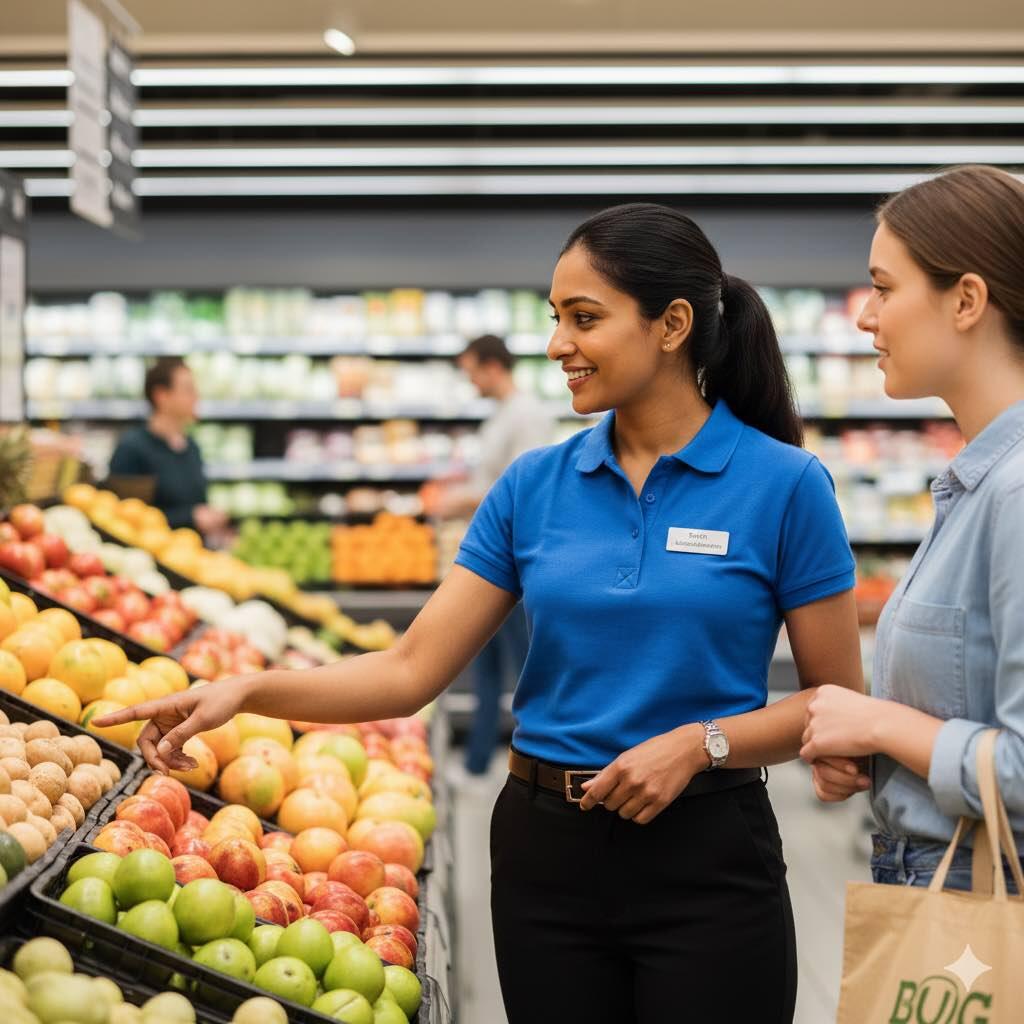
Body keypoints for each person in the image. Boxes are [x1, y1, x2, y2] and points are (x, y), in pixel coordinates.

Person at [97, 204, 865, 1023]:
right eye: (555, 318)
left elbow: (835, 706)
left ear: (671, 324)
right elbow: (406, 671)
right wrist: (243, 690)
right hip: (548, 855)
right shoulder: (534, 486)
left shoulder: (785, 485)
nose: (557, 344)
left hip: (707, 854)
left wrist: (700, 744)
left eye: (584, 318)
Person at [799, 165, 1024, 892]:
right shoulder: (977, 481)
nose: (866, 316)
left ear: (965, 301)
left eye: (885, 288)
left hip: (984, 907)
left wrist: (878, 728)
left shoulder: (1016, 490)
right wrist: (886, 756)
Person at [433, 334, 556, 779]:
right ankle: (478, 761)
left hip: (516, 564)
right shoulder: (503, 415)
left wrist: (462, 502)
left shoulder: (527, 415)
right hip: (490, 558)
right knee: (484, 668)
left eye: (471, 371)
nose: (470, 382)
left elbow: (524, 492)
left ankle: (533, 760)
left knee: (525, 670)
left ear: (491, 366)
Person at [108, 357, 228, 538]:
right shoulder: (132, 449)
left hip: (189, 554)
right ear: (161, 396)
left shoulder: (192, 447)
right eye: (188, 390)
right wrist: (189, 517)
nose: (196, 396)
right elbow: (122, 517)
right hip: (152, 556)